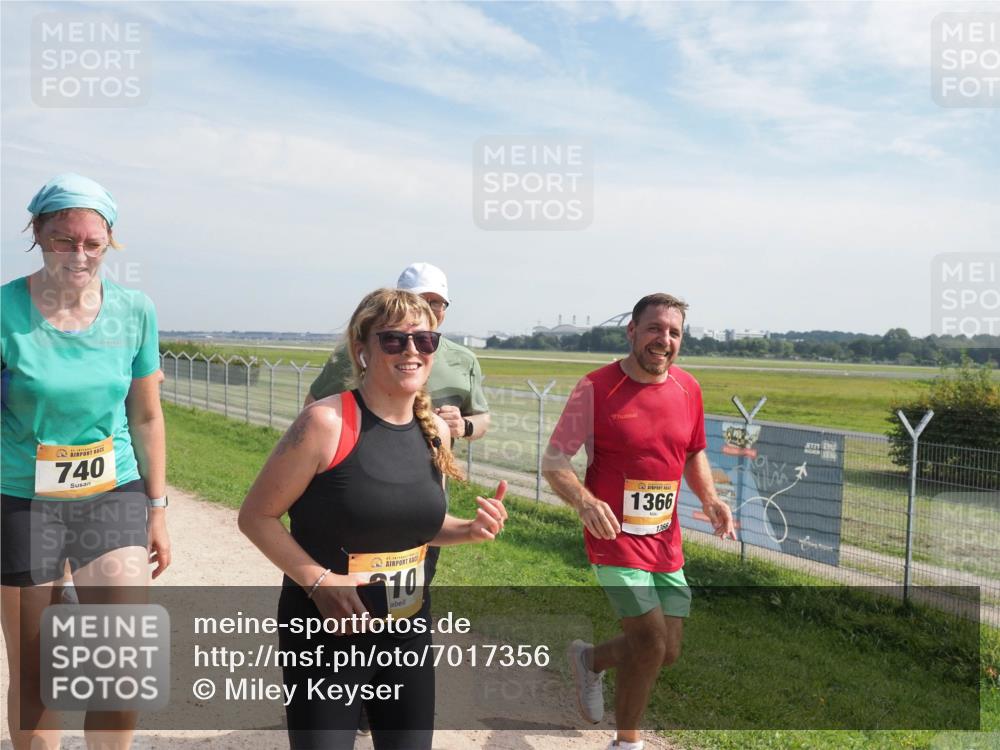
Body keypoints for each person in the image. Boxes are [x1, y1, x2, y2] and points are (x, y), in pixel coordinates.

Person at [239, 288, 507, 750]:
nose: (411, 351)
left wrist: (469, 529)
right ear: (361, 350)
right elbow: (256, 517)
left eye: (424, 341)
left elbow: (416, 527)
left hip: (407, 629)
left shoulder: (436, 431)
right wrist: (319, 583)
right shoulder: (325, 423)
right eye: (393, 340)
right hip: (325, 634)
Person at [1, 173, 170, 749]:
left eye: (91, 243)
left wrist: (158, 509)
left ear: (109, 242)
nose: (78, 254)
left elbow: (146, 417)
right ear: (38, 234)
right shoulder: (4, 310)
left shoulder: (135, 311)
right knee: (35, 671)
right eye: (62, 239)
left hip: (111, 491)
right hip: (24, 498)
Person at [542, 293, 735, 750]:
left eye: (673, 332)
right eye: (654, 329)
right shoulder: (595, 388)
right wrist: (585, 503)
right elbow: (554, 460)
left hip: (665, 541)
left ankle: (589, 661)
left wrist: (710, 499)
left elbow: (693, 451)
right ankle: (627, 742)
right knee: (648, 642)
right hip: (613, 537)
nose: (663, 340)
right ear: (631, 331)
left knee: (667, 651)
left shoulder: (688, 388)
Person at [304, 262, 490, 444]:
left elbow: (482, 418)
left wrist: (464, 426)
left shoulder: (464, 361)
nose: (428, 309)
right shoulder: (356, 353)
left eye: (437, 303)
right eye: (420, 300)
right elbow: (313, 405)